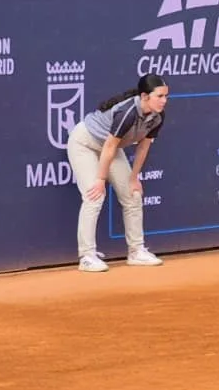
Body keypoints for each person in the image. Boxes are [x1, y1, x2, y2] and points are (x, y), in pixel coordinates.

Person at [66, 74, 169, 273]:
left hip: (110, 148)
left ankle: (136, 251)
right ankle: (87, 256)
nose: (164, 101)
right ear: (145, 96)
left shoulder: (158, 116)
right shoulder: (127, 112)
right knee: (94, 195)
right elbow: (110, 146)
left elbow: (143, 146)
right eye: (160, 96)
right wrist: (100, 179)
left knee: (133, 194)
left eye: (166, 96)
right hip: (85, 143)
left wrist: (134, 177)